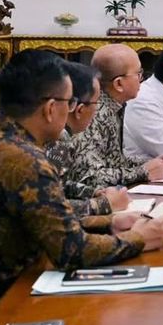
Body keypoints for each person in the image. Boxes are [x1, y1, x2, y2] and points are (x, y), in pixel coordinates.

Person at [0, 50, 163, 291]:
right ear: (51, 108)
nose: (73, 109)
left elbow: (47, 219)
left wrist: (110, 221)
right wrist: (138, 238)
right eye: (69, 101)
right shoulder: (22, 160)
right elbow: (71, 251)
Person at [64, 44, 163, 190]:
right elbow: (89, 177)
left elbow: (112, 161)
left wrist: (149, 163)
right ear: (119, 84)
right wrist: (142, 171)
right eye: (138, 73)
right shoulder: (93, 111)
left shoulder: (114, 105)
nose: (141, 79)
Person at [47, 62, 128, 217]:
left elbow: (59, 185)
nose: (98, 110)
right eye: (96, 103)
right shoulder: (55, 141)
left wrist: (94, 192)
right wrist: (104, 204)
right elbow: (49, 208)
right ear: (79, 109)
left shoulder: (62, 136)